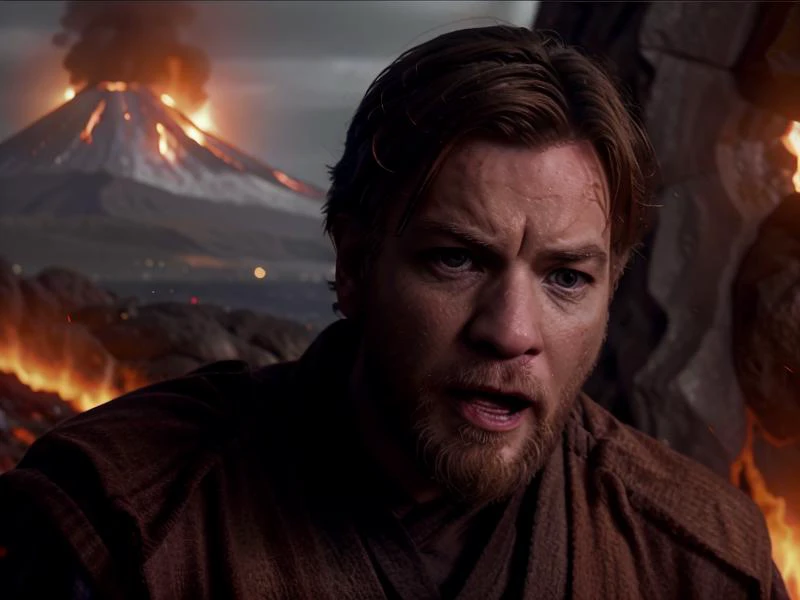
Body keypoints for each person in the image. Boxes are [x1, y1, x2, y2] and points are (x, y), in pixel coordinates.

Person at [0, 26, 788, 600]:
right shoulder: (121, 530)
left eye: (567, 278)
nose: (511, 331)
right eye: (456, 259)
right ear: (352, 264)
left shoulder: (698, 560)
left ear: (613, 289)